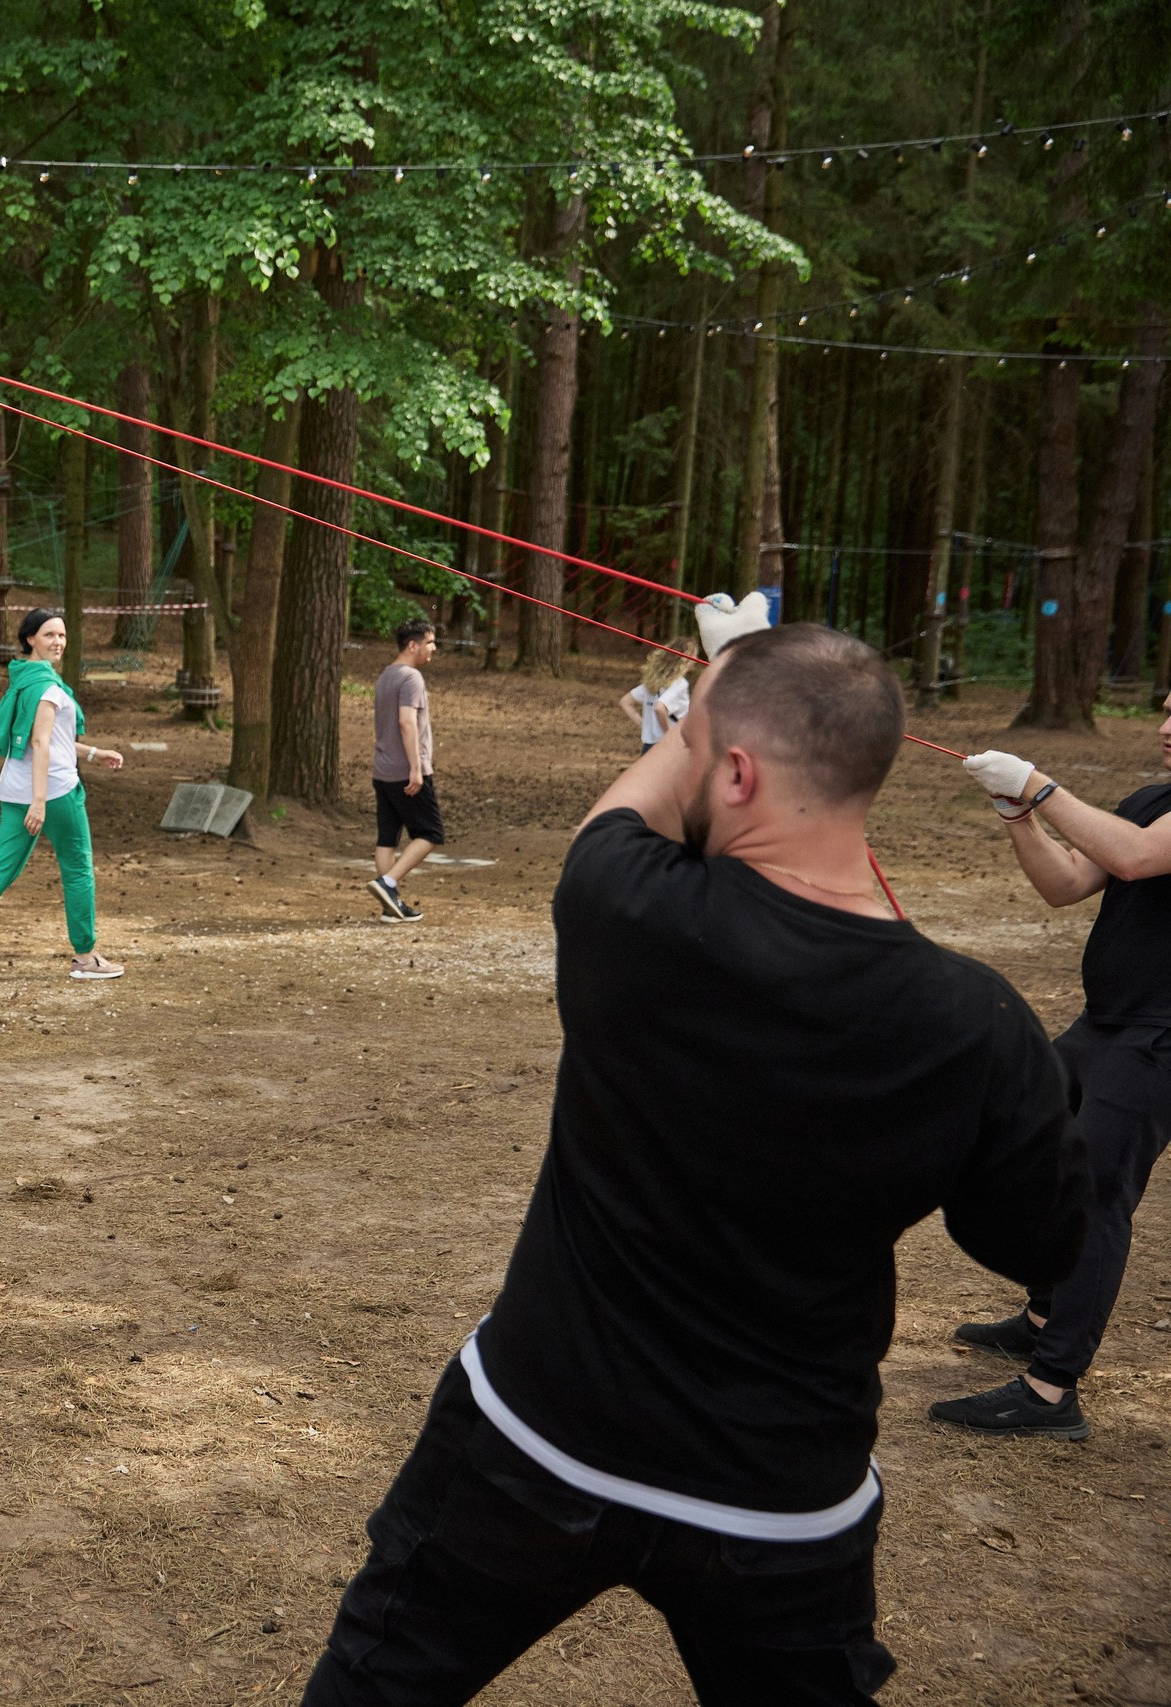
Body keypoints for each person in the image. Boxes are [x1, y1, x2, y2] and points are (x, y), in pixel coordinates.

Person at [300, 623, 1089, 1707]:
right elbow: (1037, 1241)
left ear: (734, 769)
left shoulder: (626, 910)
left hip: (532, 1448)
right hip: (775, 1504)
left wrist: (707, 695)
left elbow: (635, 805)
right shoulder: (978, 1028)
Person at [931, 724, 1171, 1440]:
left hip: (1157, 1040)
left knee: (1097, 1195)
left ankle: (1051, 1390)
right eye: (1165, 709)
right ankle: (1042, 1315)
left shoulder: (1149, 826)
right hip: (1103, 1025)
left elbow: (1130, 859)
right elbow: (1065, 883)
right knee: (1024, 1147)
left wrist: (1036, 780)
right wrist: (1019, 816)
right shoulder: (1152, 798)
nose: (1164, 725)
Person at [0, 607, 124, 984]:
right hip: (54, 792)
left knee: (2, 868)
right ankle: (85, 957)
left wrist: (92, 753)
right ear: (30, 639)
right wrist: (40, 801)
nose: (58, 642)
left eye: (63, 636)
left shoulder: (24, 679)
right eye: (50, 634)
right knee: (78, 869)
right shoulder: (48, 688)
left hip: (16, 788)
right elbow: (39, 742)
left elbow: (51, 737)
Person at [366, 619, 441, 924]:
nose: (433, 648)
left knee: (387, 838)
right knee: (431, 832)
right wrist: (415, 769)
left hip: (382, 771)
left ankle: (390, 905)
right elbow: (406, 722)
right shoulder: (411, 678)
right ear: (413, 645)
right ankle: (388, 883)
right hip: (404, 771)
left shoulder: (386, 676)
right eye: (430, 642)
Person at [618, 647, 692, 754]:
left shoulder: (652, 683)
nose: (695, 659)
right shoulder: (680, 683)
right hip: (667, 749)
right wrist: (669, 735)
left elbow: (625, 702)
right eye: (693, 655)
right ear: (684, 660)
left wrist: (643, 725)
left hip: (648, 748)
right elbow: (660, 708)